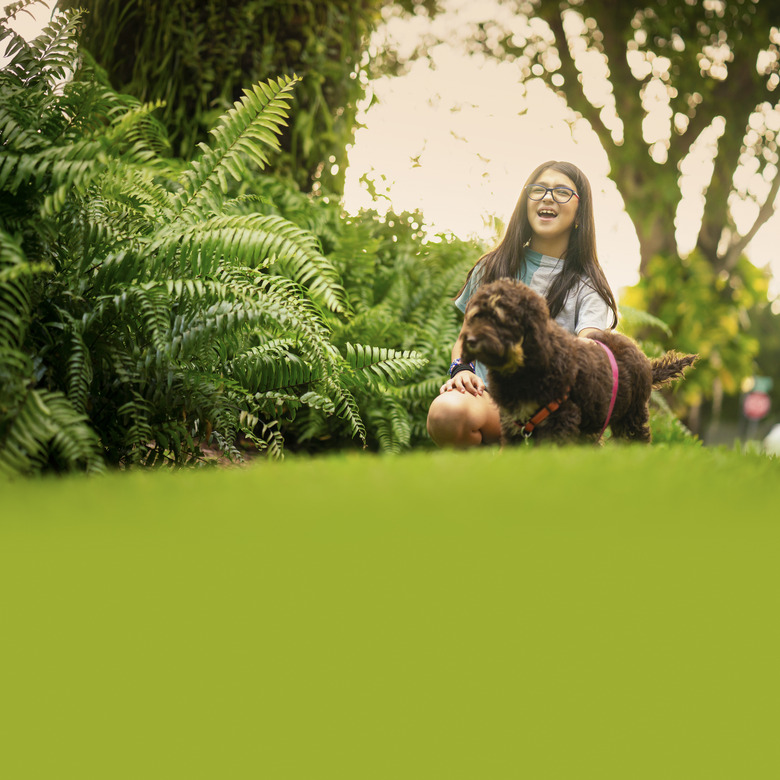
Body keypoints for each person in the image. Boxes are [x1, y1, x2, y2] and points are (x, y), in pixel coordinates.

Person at [426, 160, 618, 448]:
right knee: (446, 412)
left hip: (547, 411)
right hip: (489, 399)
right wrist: (461, 369)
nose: (548, 196)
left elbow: (589, 344)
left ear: (580, 213)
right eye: (538, 189)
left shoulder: (588, 286)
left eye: (562, 192)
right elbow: (465, 337)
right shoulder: (493, 266)